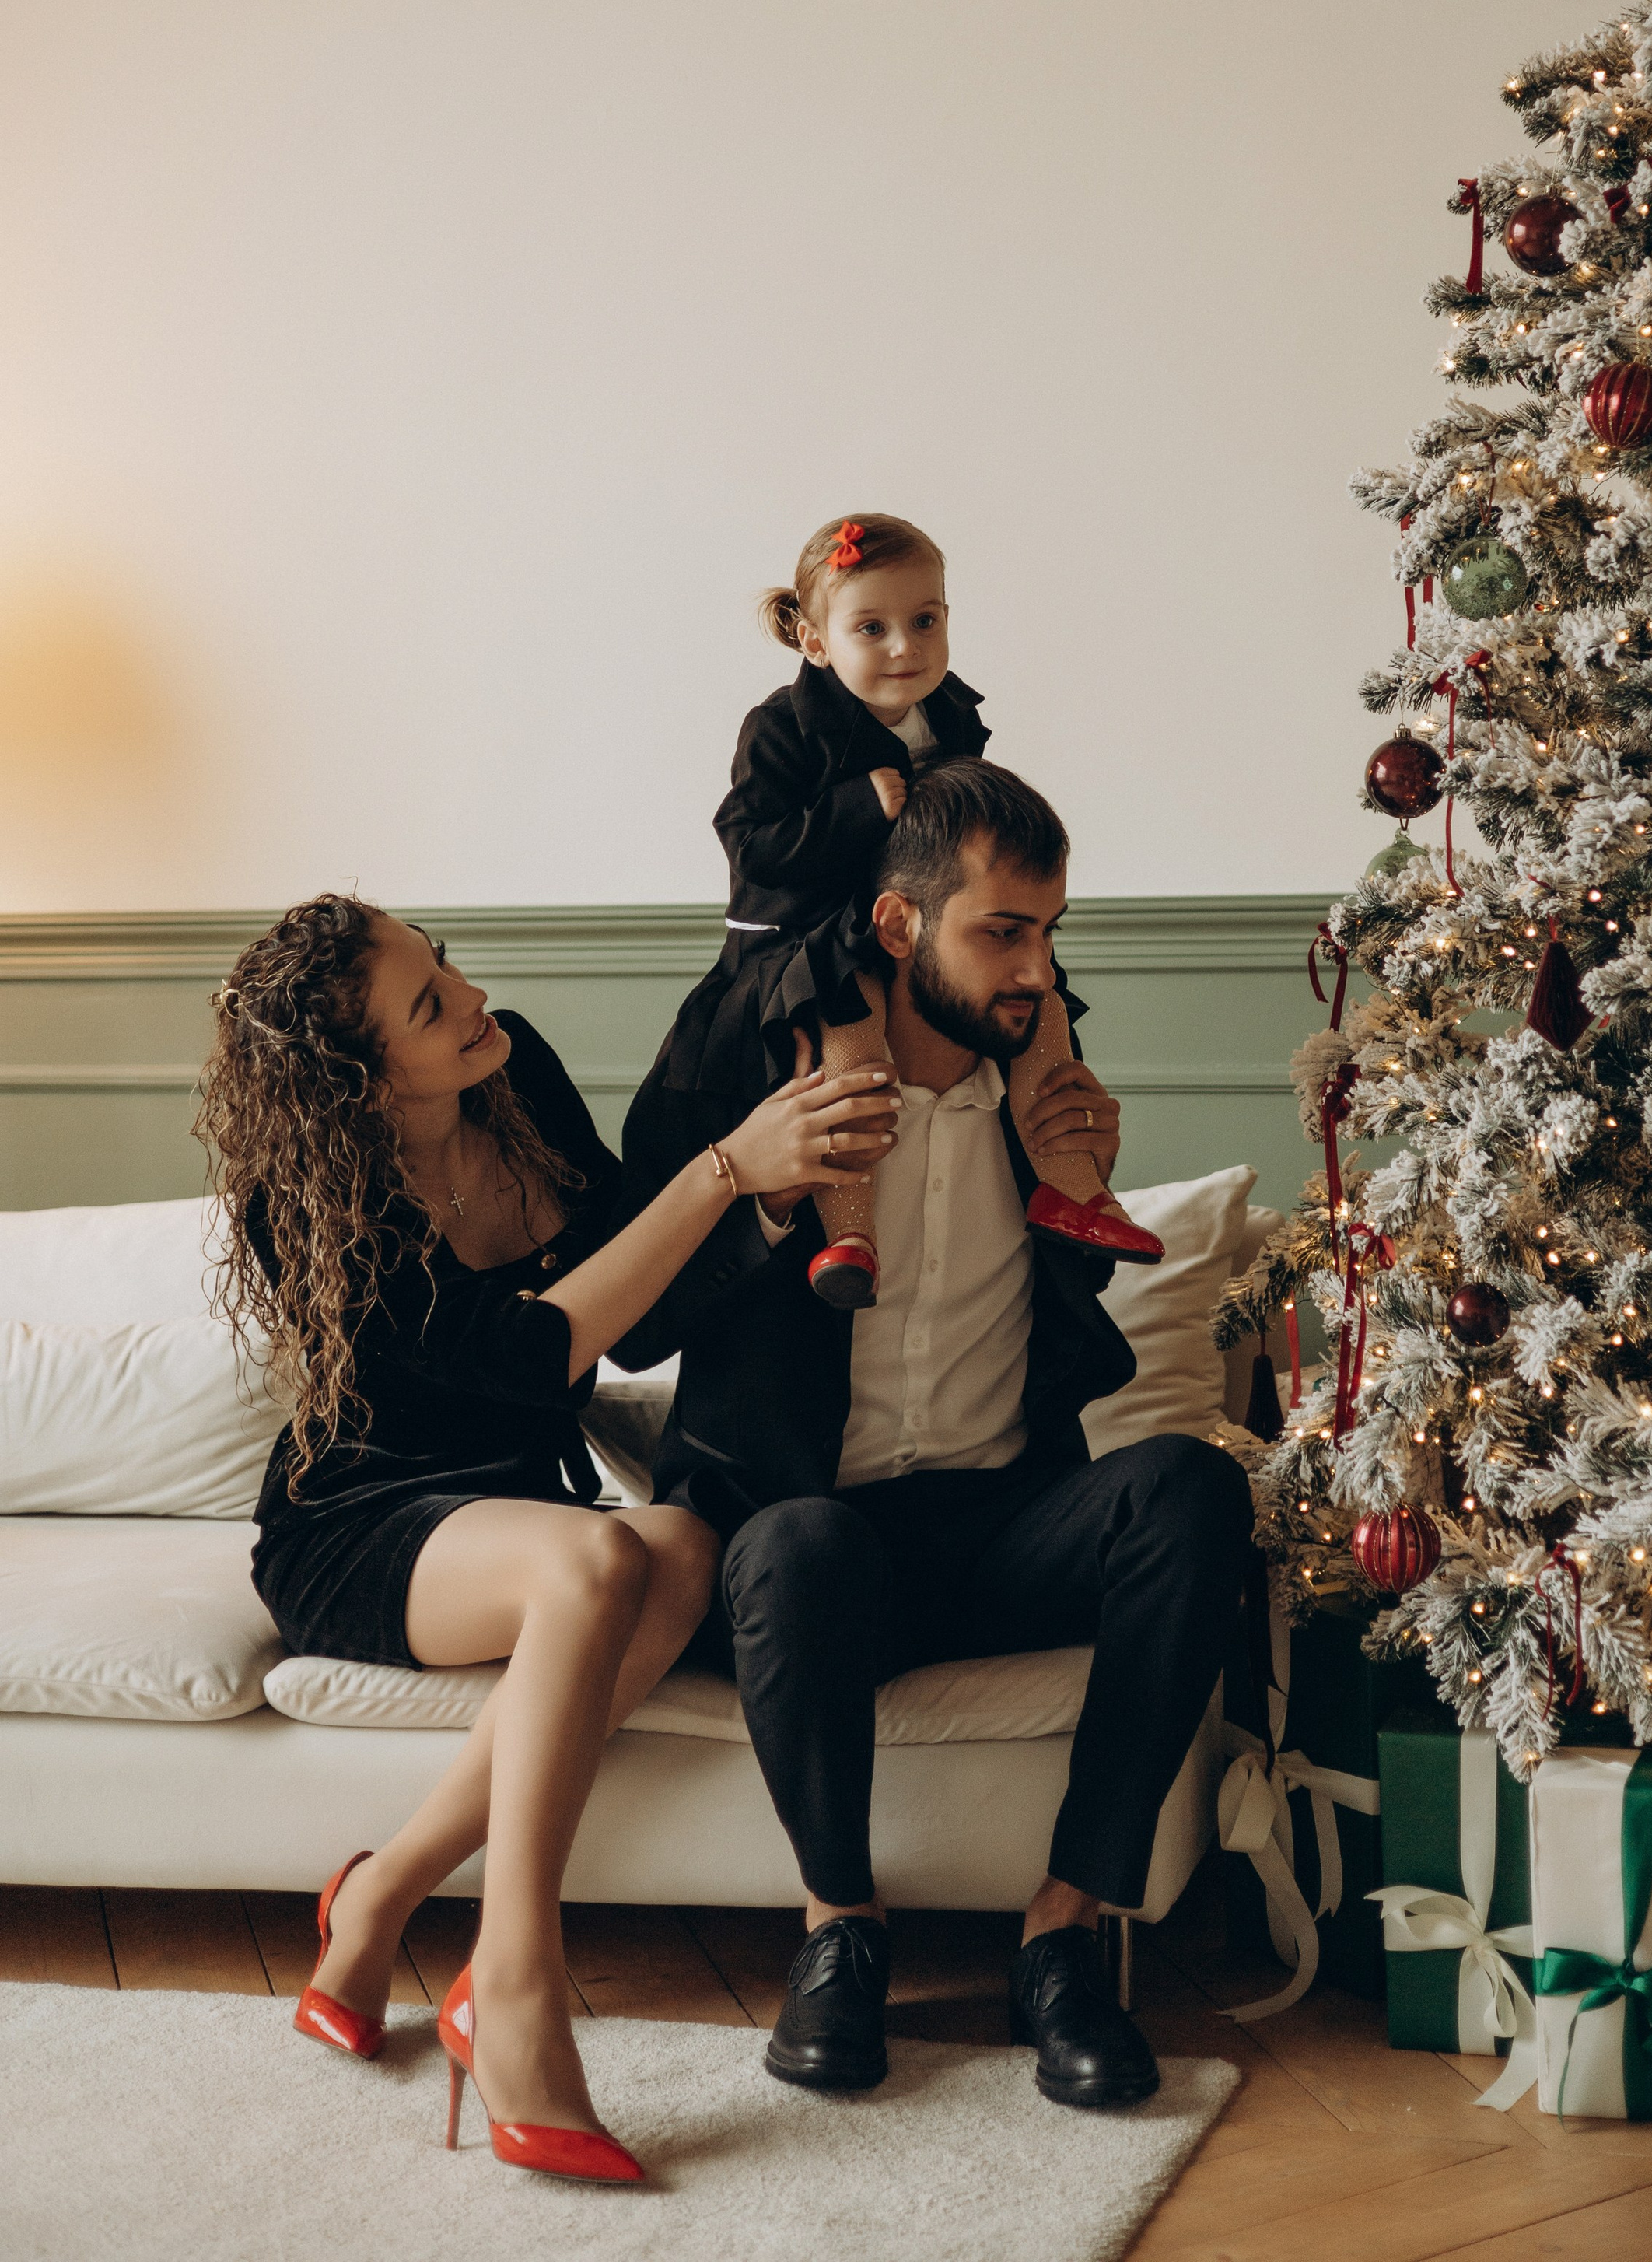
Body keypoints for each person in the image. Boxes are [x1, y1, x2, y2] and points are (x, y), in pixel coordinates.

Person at [200, 894, 894, 2187]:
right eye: (428, 1006)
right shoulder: (303, 1204)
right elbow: (537, 1357)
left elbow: (638, 1315)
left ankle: (382, 1893)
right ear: (359, 1078)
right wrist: (724, 1168)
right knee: (599, 1556)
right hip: (359, 1523)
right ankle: (514, 1979)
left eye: (445, 966)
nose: (471, 1000)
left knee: (679, 1546)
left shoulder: (515, 1074)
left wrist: (776, 1201)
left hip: (519, 1511)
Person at [616, 760, 1255, 2109]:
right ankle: (839, 1929)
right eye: (1003, 932)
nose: (1038, 968)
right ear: (902, 926)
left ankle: (1065, 1931)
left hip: (997, 1523)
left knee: (1193, 1487)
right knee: (795, 1548)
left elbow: (1066, 1303)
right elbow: (635, 1323)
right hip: (808, 1544)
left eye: (1050, 928)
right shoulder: (750, 1046)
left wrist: (1085, 1185)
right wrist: (765, 1196)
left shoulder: (1039, 1090)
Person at [659, 509, 1163, 1311]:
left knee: (1048, 1009)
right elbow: (748, 843)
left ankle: (1072, 1187)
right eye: (873, 627)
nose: (906, 646)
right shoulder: (785, 729)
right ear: (816, 641)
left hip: (905, 923)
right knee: (849, 1044)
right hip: (804, 935)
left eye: (925, 620)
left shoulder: (951, 713)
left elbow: (965, 830)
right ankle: (848, 1228)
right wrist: (859, 808)